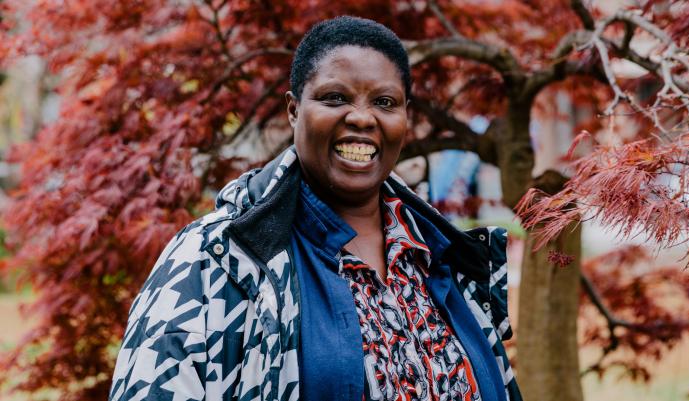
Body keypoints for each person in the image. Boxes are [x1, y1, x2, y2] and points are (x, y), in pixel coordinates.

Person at [109, 16, 521, 401]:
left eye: (385, 102)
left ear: (405, 118)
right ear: (294, 110)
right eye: (335, 97)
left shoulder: (445, 256)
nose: (362, 117)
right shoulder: (216, 257)